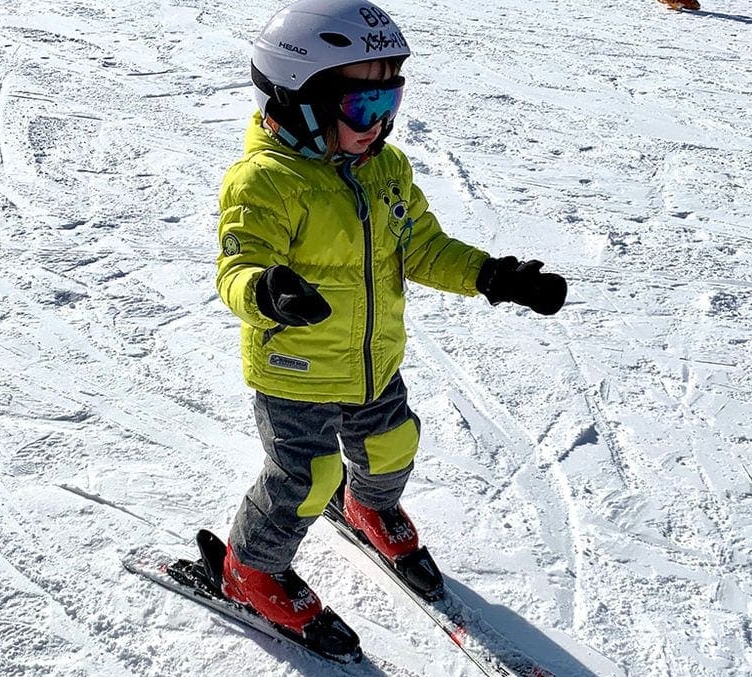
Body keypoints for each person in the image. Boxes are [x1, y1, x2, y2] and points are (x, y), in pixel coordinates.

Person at [215, 0, 567, 640]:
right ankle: (251, 569)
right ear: (301, 101)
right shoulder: (263, 181)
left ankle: (368, 507)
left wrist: (493, 275)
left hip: (374, 359)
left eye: (388, 107)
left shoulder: (386, 170)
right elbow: (236, 269)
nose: (378, 128)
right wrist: (267, 291)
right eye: (363, 109)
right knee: (306, 477)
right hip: (296, 370)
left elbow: (423, 247)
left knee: (392, 446)